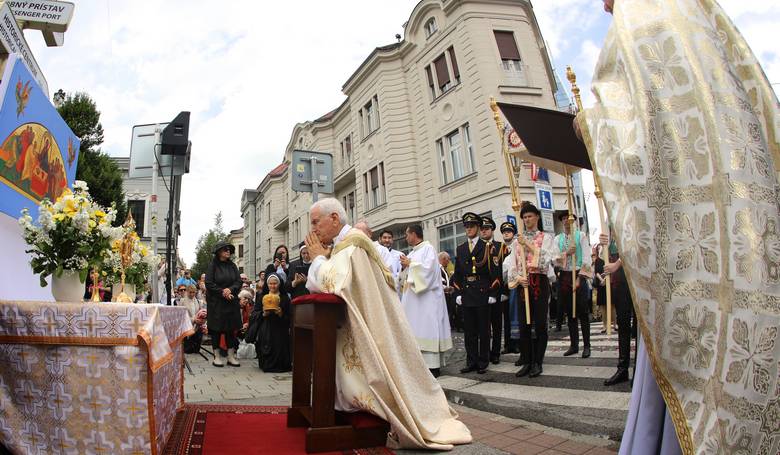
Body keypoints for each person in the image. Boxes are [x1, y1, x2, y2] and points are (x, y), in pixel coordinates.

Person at [575, 1, 780, 453]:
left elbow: (634, 138)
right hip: (741, 234)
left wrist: (586, 126)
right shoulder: (700, 15)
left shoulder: (640, 16)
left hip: (691, 251)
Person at [304, 198, 471, 450]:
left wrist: (317, 259)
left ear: (335, 218)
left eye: (316, 222)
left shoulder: (353, 245)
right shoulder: (345, 246)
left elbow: (332, 282)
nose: (313, 229)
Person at [504, 203, 554, 378]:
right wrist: (518, 278)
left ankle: (538, 362)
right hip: (523, 284)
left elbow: (547, 260)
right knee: (524, 324)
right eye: (524, 217)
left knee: (540, 324)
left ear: (537, 217)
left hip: (539, 281)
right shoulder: (517, 240)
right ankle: (526, 360)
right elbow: (512, 264)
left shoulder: (546, 237)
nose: (527, 220)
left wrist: (530, 246)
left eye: (530, 216)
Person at [399, 225, 452, 377]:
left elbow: (428, 272)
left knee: (427, 329)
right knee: (416, 330)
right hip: (415, 303)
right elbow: (408, 275)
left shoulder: (428, 249)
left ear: (414, 234)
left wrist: (410, 264)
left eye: (407, 234)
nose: (406, 237)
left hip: (427, 301)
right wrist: (405, 267)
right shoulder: (414, 252)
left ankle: (432, 366)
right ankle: (419, 365)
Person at [451, 212, 499, 375]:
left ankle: (483, 361)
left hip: (482, 292)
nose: (469, 229)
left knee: (483, 331)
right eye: (467, 226)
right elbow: (457, 274)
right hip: (467, 293)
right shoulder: (461, 248)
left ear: (478, 228)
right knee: (469, 331)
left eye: (472, 226)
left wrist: (493, 292)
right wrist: (457, 293)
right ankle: (471, 361)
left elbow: (495, 272)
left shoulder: (487, 247)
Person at [552, 213, 592, 358]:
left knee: (583, 312)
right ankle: (574, 345)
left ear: (574, 221)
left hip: (579, 274)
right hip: (564, 276)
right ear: (562, 222)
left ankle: (587, 345)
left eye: (570, 220)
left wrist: (579, 279)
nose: (567, 222)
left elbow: (587, 258)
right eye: (564, 220)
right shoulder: (558, 239)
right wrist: (566, 253)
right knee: (570, 312)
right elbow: (554, 258)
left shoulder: (581, 236)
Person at [204, 241, 243, 367]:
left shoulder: (233, 266)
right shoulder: (213, 266)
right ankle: (217, 356)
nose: (228, 251)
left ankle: (231, 356)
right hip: (216, 303)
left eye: (229, 250)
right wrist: (222, 292)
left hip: (231, 302)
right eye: (225, 249)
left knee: (230, 330)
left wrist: (230, 290)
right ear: (219, 252)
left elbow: (238, 282)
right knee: (216, 330)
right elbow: (209, 283)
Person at [480, 216, 508, 364]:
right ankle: (484, 353)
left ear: (492, 230)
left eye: (487, 229)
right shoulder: (476, 247)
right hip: (481, 293)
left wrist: (505, 291)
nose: (484, 231)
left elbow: (506, 270)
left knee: (497, 324)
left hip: (497, 292)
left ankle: (495, 352)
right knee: (484, 326)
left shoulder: (501, 247)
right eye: (482, 229)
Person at [252, 273, 291, 372]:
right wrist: (263, 314)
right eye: (270, 284)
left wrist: (281, 314)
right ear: (267, 284)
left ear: (279, 284)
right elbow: (254, 313)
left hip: (280, 328)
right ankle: (266, 364)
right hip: (266, 327)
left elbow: (290, 316)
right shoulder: (261, 296)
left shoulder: (285, 298)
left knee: (280, 346)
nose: (272, 286)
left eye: (275, 283)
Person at [498, 221, 519, 354]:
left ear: (513, 234)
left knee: (516, 316)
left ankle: (517, 343)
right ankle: (508, 345)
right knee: (506, 316)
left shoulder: (517, 247)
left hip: (516, 285)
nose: (506, 233)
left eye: (509, 231)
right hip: (504, 287)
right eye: (504, 232)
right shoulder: (499, 249)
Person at [181, 285, 206, 353]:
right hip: (187, 328)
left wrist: (202, 320)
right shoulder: (182, 301)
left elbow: (201, 313)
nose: (192, 294)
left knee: (196, 350)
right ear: (187, 292)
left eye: (193, 292)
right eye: (190, 292)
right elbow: (181, 316)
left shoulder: (198, 301)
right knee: (188, 350)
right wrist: (193, 320)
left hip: (197, 328)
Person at [438, 252, 459, 332]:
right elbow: (439, 283)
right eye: (448, 259)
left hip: (446, 296)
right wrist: (447, 288)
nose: (449, 261)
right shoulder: (439, 270)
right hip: (442, 297)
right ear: (443, 259)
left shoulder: (444, 270)